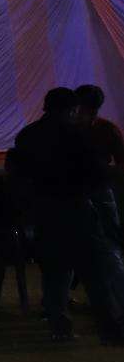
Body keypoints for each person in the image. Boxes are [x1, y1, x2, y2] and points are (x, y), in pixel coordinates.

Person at [9, 88, 124, 343]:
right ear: (72, 110)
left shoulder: (27, 136)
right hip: (76, 209)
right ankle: (110, 328)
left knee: (55, 271)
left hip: (44, 212)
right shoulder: (77, 137)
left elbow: (18, 174)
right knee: (94, 272)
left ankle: (59, 325)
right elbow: (96, 175)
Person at [74, 84, 124, 246]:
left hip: (82, 188)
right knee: (110, 233)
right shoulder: (108, 129)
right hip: (97, 187)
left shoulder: (70, 129)